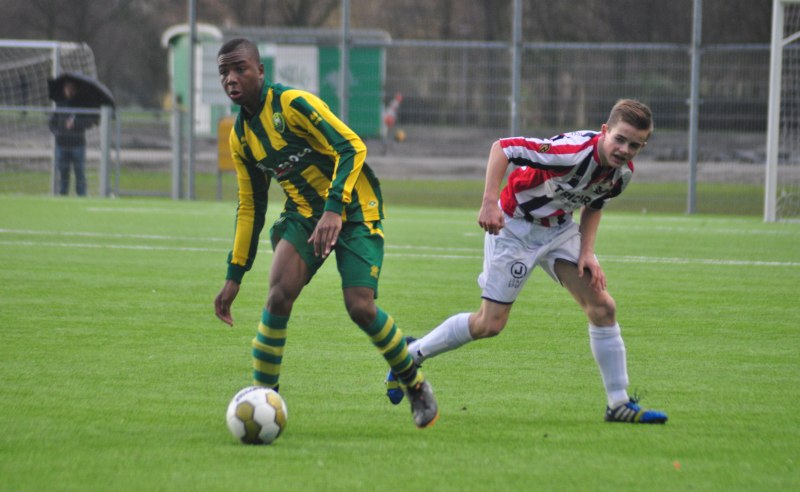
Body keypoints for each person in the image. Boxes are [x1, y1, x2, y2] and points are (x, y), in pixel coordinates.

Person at [385, 99, 667, 424]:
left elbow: (595, 203)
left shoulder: (622, 174)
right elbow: (502, 148)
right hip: (514, 227)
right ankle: (409, 356)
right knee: (489, 324)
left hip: (559, 230)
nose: (624, 149)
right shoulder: (571, 153)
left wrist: (587, 252)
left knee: (603, 307)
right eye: (620, 139)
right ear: (605, 131)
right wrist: (489, 203)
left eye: (635, 145)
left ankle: (617, 403)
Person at [213, 38, 438, 429]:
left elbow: (352, 146)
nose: (231, 79)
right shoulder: (241, 138)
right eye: (224, 73)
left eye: (240, 69)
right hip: (303, 214)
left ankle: (415, 383)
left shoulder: (293, 104)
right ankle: (265, 400)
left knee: (360, 307)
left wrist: (334, 207)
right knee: (278, 294)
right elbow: (251, 205)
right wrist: (234, 275)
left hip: (352, 208)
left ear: (260, 71)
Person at [48, 80, 93, 196]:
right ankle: (63, 196)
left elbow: (89, 122)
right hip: (62, 145)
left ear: (76, 90)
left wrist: (75, 124)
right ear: (64, 89)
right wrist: (59, 132)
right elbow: (52, 123)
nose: (69, 91)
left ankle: (81, 196)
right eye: (67, 88)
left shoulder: (82, 105)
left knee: (79, 173)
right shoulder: (59, 104)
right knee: (63, 174)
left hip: (78, 145)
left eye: (72, 88)